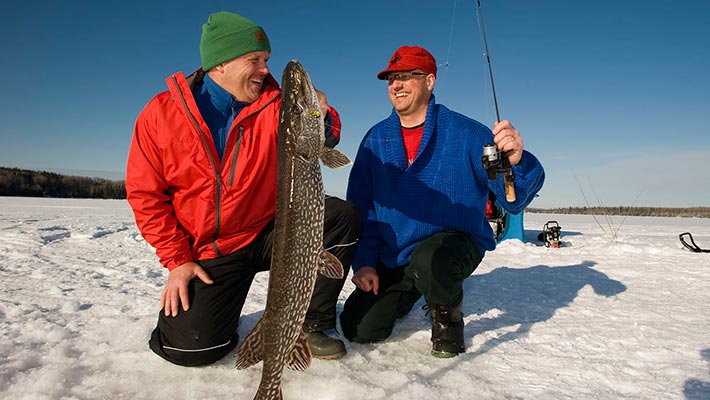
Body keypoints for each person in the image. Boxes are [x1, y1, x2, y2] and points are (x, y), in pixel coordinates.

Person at [126, 11, 359, 367]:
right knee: (191, 350)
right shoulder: (161, 114)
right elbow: (146, 195)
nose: (265, 69)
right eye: (254, 60)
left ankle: (311, 322)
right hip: (212, 249)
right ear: (220, 64)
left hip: (268, 232)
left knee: (341, 216)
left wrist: (320, 114)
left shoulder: (276, 104)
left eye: (266, 59)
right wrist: (178, 260)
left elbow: (323, 137)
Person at [340, 46, 545, 358]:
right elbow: (362, 207)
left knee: (431, 259)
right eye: (392, 78)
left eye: (408, 76)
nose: (397, 84)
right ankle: (410, 292)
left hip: (453, 245)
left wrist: (517, 162)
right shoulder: (375, 139)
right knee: (359, 328)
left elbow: (512, 201)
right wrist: (366, 261)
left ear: (430, 81)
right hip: (397, 253)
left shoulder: (468, 134)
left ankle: (447, 316)